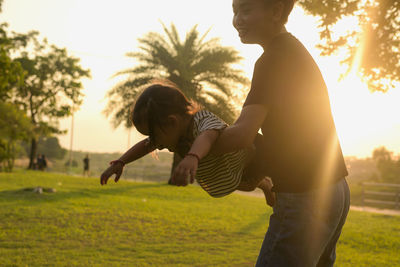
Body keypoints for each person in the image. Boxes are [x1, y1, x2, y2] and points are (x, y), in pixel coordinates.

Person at [175, 0, 349, 266]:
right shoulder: (292, 51)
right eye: (234, 12)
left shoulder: (273, 60)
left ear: (276, 11)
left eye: (245, 10)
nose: (237, 20)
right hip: (335, 189)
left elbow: (243, 133)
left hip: (306, 195)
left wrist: (192, 146)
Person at [100, 80, 275, 206]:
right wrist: (121, 161)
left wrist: (193, 156)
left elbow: (208, 135)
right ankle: (265, 184)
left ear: (172, 121)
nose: (154, 143)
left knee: (259, 176)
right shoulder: (173, 135)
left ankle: (271, 181)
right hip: (231, 173)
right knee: (245, 185)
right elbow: (145, 146)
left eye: (154, 136)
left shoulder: (201, 120)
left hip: (254, 155)